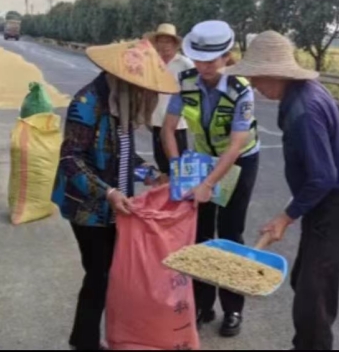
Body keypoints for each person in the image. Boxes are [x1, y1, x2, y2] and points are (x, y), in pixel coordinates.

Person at [224, 31, 339, 351]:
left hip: (336, 207)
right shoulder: (306, 92)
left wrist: (285, 217)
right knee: (303, 280)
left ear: (275, 73)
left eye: (257, 77)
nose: (254, 85)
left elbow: (324, 177)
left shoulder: (305, 110)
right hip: (325, 204)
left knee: (314, 298)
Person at [51, 38, 179, 351]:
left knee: (108, 275)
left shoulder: (120, 103)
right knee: (99, 275)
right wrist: (107, 193)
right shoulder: (87, 103)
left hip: (114, 206)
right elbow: (70, 159)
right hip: (87, 208)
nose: (143, 94)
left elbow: (122, 156)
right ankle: (85, 342)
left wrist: (152, 175)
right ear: (123, 78)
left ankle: (87, 338)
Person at [161, 20, 261, 338]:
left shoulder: (241, 90)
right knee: (201, 234)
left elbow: (235, 145)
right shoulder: (186, 81)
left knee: (230, 234)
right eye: (199, 59)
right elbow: (168, 129)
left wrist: (207, 185)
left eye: (211, 60)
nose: (204, 66)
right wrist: (179, 170)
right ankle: (203, 305)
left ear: (227, 56)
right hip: (202, 161)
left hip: (239, 162)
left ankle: (233, 309)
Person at [146, 23, 195, 174]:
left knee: (179, 165)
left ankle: (180, 188)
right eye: (161, 41)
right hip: (156, 119)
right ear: (156, 44)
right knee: (162, 164)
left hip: (177, 123)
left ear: (175, 44)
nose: (165, 45)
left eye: (168, 41)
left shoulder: (185, 64)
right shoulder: (152, 63)